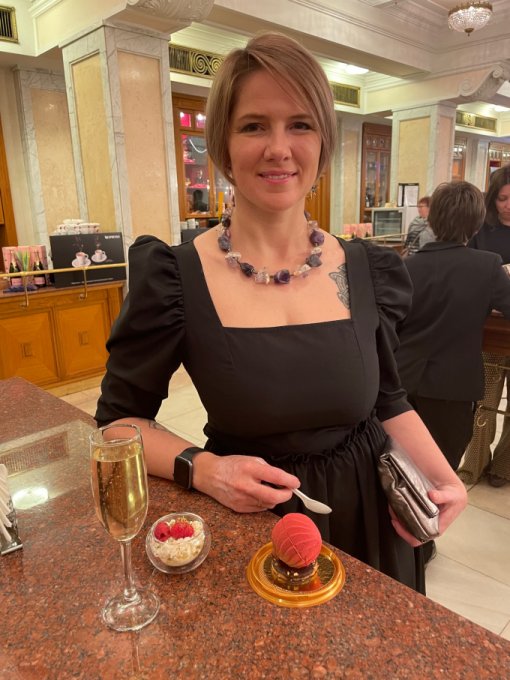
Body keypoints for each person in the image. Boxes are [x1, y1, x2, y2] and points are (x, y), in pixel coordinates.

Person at [95, 32, 466, 594]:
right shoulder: (174, 277)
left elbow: (389, 401)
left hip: (368, 524)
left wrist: (447, 480)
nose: (278, 147)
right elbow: (118, 424)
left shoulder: (369, 270)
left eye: (300, 124)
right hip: (249, 525)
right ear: (222, 145)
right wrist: (204, 468)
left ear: (323, 141)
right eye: (253, 126)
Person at [396, 180, 510, 473]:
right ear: (477, 223)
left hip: (403, 379)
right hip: (453, 385)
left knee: (402, 464)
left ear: (432, 220)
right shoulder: (488, 265)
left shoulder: (406, 266)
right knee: (443, 468)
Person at [458, 165, 510, 488]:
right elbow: (468, 275)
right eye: (502, 199)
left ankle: (504, 466)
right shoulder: (481, 231)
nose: (508, 205)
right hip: (489, 330)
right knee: (484, 401)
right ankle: (473, 465)